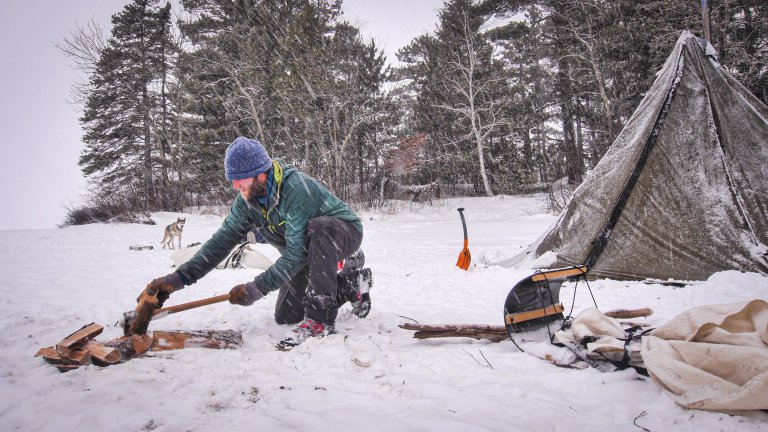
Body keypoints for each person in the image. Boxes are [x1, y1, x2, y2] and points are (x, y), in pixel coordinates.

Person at [139, 136, 370, 349]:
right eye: (232, 181)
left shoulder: (295, 189)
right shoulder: (247, 202)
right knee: (286, 316)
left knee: (319, 229)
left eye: (240, 180)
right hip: (304, 252)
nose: (235, 187)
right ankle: (351, 284)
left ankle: (321, 322)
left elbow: (296, 254)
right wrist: (178, 279)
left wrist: (257, 287)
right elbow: (220, 242)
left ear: (261, 174)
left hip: (341, 233)